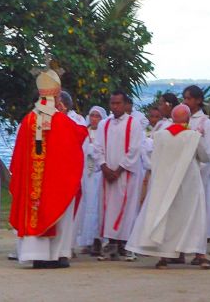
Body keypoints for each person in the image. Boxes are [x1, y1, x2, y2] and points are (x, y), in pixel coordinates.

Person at [9, 68, 88, 269]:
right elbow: (79, 136)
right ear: (57, 94)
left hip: (33, 182)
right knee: (59, 210)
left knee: (35, 209)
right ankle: (57, 254)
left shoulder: (28, 120)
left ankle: (37, 255)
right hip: (54, 179)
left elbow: (18, 153)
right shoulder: (60, 119)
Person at [126, 104, 210, 269]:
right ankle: (199, 254)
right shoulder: (193, 136)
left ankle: (164, 257)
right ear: (188, 119)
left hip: (165, 183)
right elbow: (206, 156)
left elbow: (153, 158)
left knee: (167, 218)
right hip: (189, 183)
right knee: (194, 217)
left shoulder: (159, 136)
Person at [96, 91, 145, 262]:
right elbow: (98, 147)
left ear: (125, 105)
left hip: (125, 174)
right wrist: (103, 166)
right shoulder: (104, 124)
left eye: (118, 103)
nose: (115, 107)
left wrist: (119, 170)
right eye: (112, 103)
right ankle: (111, 243)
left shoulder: (134, 124)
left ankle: (127, 244)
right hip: (107, 172)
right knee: (108, 208)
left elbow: (135, 148)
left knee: (127, 207)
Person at [183, 85, 210, 240]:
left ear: (198, 100)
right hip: (182, 173)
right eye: (184, 98)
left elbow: (209, 152)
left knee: (198, 210)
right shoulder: (182, 119)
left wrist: (195, 167)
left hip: (198, 173)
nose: (185, 102)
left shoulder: (205, 123)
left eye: (189, 98)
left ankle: (197, 245)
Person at [77, 106, 105, 256]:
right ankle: (86, 240)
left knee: (97, 206)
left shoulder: (104, 133)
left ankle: (97, 240)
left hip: (99, 173)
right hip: (86, 174)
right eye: (92, 115)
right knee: (86, 205)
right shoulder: (85, 132)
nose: (94, 118)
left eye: (97, 116)